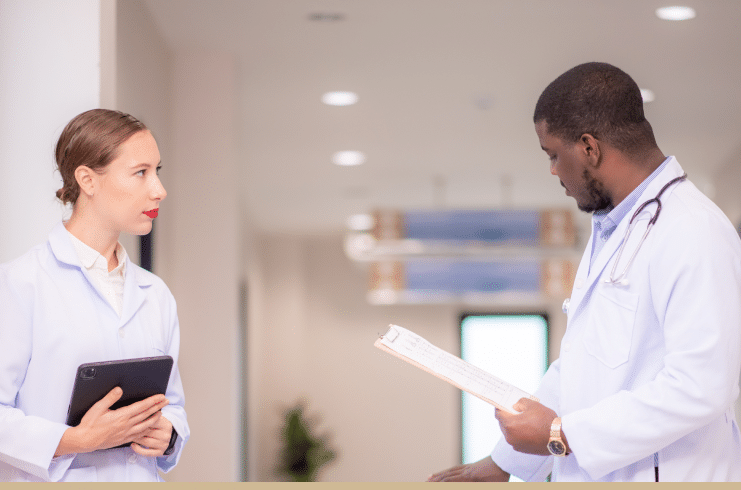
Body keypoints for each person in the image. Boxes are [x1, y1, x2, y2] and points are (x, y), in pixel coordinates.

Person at [428, 62, 741, 482]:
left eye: (554, 155)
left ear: (589, 148)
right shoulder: (614, 228)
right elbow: (583, 368)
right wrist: (502, 464)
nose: (554, 171)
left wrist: (561, 434)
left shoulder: (693, 229)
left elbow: (702, 386)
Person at [0, 109, 189, 481]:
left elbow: (174, 405)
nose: (159, 190)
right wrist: (76, 440)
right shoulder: (21, 284)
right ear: (87, 179)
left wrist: (167, 434)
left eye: (157, 171)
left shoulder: (156, 295)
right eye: (140, 172)